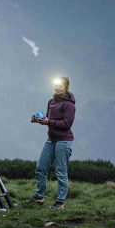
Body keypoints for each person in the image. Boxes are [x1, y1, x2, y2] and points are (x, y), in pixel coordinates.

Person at [30, 77, 76, 209]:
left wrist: (49, 122)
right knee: (40, 168)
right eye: (56, 85)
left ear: (66, 87)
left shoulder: (69, 105)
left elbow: (67, 124)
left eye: (60, 85)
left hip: (64, 141)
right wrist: (39, 120)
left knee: (60, 171)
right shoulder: (51, 101)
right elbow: (48, 118)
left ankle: (60, 202)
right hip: (51, 140)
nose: (57, 87)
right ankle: (39, 198)